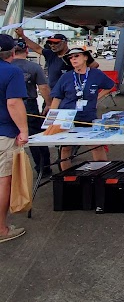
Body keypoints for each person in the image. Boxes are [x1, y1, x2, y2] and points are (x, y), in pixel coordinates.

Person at [49, 48, 114, 169]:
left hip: (88, 116)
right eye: (71, 58)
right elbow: (56, 98)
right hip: (67, 117)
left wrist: (97, 98)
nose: (73, 59)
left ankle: (102, 174)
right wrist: (52, 119)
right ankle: (66, 177)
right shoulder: (66, 77)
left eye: (76, 56)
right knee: (66, 148)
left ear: (85, 57)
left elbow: (110, 85)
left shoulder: (96, 74)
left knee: (95, 145)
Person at [1, 34, 29, 243]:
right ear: (12, 52)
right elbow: (13, 103)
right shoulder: (12, 71)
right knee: (3, 181)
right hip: (4, 133)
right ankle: (1, 229)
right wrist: (23, 130)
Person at [11, 40, 52, 178]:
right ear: (27, 51)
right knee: (35, 137)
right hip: (29, 103)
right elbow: (43, 87)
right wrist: (48, 103)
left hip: (7, 103)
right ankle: (43, 167)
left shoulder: (5, 66)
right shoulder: (34, 67)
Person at [15, 30, 98, 88]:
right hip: (52, 91)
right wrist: (22, 36)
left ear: (65, 43)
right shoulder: (50, 54)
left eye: (56, 43)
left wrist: (79, 76)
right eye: (50, 43)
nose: (52, 45)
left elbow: (94, 65)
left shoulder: (73, 55)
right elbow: (37, 48)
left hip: (68, 93)